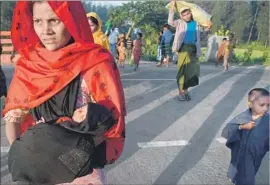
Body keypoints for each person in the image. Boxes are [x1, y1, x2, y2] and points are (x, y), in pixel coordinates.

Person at [3, 1, 126, 184]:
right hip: (38, 169)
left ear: (72, 19)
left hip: (83, 169)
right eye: (38, 21)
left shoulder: (96, 62)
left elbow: (112, 121)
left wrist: (72, 159)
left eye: (54, 20)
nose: (46, 31)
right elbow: (14, 118)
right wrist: (24, 158)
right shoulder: (28, 66)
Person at [222, 88, 269, 185]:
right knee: (246, 178)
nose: (265, 108)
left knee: (251, 171)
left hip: (257, 154)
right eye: (262, 105)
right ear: (250, 104)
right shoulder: (242, 118)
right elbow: (226, 132)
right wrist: (241, 126)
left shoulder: (267, 120)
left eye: (268, 105)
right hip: (242, 154)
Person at [168, 1, 202, 101]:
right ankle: (181, 92)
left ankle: (186, 90)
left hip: (193, 49)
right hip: (183, 48)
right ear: (181, 16)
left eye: (187, 14)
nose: (186, 16)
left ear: (191, 13)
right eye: (184, 15)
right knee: (182, 71)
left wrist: (208, 27)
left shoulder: (196, 23)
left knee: (191, 72)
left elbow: (199, 35)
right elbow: (170, 22)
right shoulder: (180, 22)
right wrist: (172, 8)